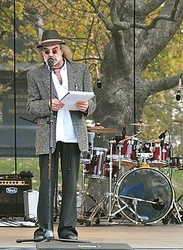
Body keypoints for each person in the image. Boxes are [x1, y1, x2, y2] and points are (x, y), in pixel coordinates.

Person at [27, 30, 96, 240]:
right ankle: (44, 229)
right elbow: (31, 106)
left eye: (54, 50)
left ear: (62, 50)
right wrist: (48, 105)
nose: (51, 54)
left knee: (70, 183)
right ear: (42, 54)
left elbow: (92, 103)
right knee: (47, 183)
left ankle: (67, 229)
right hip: (48, 135)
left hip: (72, 135)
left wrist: (86, 106)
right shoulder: (35, 74)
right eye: (46, 51)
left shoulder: (81, 70)